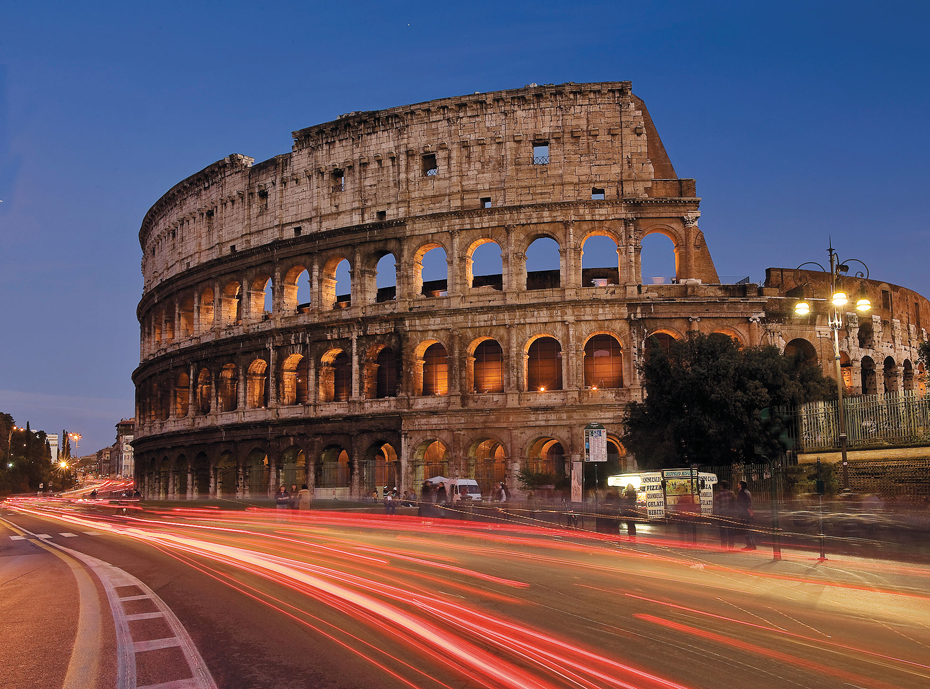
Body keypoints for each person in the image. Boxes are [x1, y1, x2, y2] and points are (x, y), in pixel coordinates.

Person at [714, 481, 737, 550]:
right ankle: (731, 545)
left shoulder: (718, 495)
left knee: (723, 531)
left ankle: (723, 545)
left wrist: (715, 514)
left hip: (722, 514)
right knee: (731, 530)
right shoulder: (731, 494)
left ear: (721, 486)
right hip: (730, 514)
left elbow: (716, 505)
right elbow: (735, 503)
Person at [736, 480, 756, 550]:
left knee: (746, 529)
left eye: (738, 484)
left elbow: (743, 503)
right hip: (747, 512)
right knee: (747, 529)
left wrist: (746, 511)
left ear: (740, 485)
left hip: (744, 513)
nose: (737, 485)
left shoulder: (741, 492)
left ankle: (750, 545)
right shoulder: (747, 492)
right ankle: (751, 544)